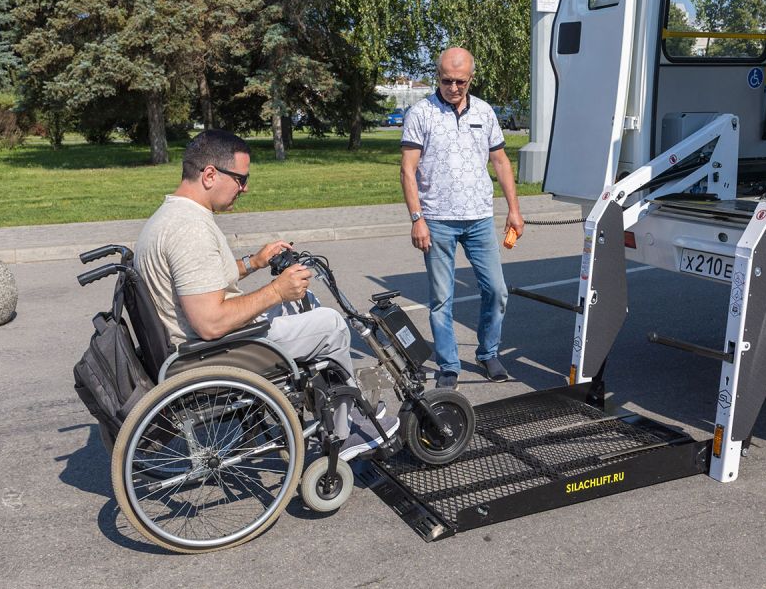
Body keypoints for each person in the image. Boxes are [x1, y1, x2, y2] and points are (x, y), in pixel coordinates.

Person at [134, 129, 396, 458]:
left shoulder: (173, 214)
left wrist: (253, 262)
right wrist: (276, 290)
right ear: (211, 174)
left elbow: (199, 281)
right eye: (241, 179)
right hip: (209, 351)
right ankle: (345, 433)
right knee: (330, 324)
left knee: (306, 304)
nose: (245, 188)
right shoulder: (189, 230)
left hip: (194, 342)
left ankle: (329, 406)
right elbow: (210, 323)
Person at [400, 47, 524, 389]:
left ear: (471, 78)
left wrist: (514, 209)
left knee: (496, 290)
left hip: (480, 219)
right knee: (442, 298)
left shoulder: (485, 112)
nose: (453, 87)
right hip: (436, 220)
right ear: (437, 76)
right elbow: (408, 170)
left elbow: (500, 162)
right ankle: (449, 365)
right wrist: (417, 218)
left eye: (461, 81)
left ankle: (488, 353)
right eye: (446, 80)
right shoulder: (420, 113)